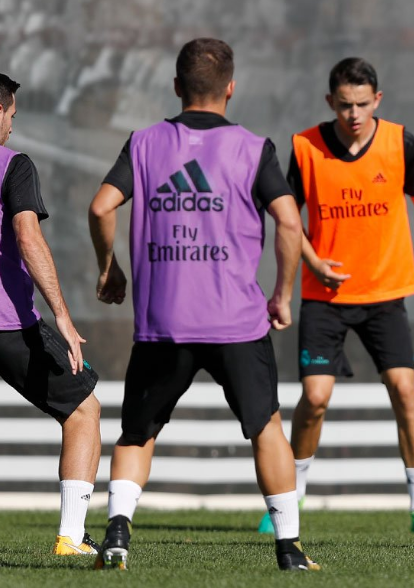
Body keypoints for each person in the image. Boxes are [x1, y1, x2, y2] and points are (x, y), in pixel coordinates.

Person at [88, 38, 319, 572]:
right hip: (236, 322)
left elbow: (102, 206)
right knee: (266, 428)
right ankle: (289, 549)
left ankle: (118, 534)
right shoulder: (253, 147)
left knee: (137, 432)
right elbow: (288, 221)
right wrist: (282, 293)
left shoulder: (144, 143)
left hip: (163, 321)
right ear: (231, 89)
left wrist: (109, 267)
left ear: (176, 87)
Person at [258, 57, 414, 536]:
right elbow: (286, 217)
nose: (354, 114)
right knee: (315, 398)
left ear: (377, 100)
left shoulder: (400, 141)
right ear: (330, 103)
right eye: (345, 105)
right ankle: (290, 500)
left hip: (386, 292)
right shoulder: (305, 147)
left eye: (363, 104)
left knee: (404, 390)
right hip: (324, 295)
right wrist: (314, 261)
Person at [0, 73, 101, 555]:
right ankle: (71, 535)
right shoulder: (13, 166)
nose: (12, 129)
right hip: (10, 326)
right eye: (11, 117)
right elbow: (27, 237)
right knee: (84, 411)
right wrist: (61, 312)